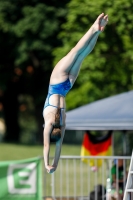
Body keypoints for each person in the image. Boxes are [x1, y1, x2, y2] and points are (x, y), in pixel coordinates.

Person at [43, 13, 108, 173]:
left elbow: (58, 146)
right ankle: (94, 27)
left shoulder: (62, 124)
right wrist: (47, 163)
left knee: (83, 55)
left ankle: (98, 31)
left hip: (67, 86)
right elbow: (47, 145)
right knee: (75, 51)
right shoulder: (49, 122)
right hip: (57, 82)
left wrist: (54, 165)